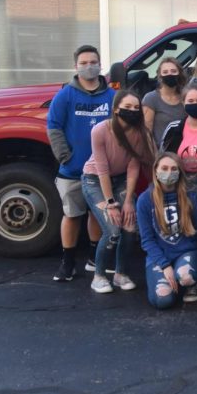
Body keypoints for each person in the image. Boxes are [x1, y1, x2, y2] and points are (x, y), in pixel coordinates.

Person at [47, 44, 115, 282]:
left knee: (96, 214)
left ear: (100, 65)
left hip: (100, 171)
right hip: (72, 169)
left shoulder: (111, 97)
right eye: (84, 63)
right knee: (72, 214)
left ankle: (95, 258)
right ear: (76, 66)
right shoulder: (66, 95)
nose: (89, 66)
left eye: (93, 62)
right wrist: (66, 156)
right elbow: (53, 126)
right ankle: (67, 262)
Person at [82, 90, 155, 294]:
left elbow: (133, 167)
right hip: (95, 179)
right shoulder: (100, 130)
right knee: (112, 229)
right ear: (115, 109)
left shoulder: (139, 133)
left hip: (122, 179)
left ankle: (120, 273)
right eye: (127, 107)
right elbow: (102, 168)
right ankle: (99, 276)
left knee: (130, 226)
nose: (132, 111)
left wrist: (129, 201)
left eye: (136, 108)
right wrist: (111, 203)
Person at [137, 153, 197, 309]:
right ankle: (170, 280)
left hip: (187, 251)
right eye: (164, 168)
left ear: (180, 172)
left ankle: (190, 283)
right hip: (160, 256)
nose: (169, 173)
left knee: (185, 277)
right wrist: (165, 266)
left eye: (174, 169)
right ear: (155, 170)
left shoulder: (191, 195)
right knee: (163, 300)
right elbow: (147, 240)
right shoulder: (145, 199)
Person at [143, 58, 187, 144]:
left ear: (179, 74)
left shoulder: (186, 97)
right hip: (161, 152)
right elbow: (146, 133)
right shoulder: (151, 99)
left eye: (173, 71)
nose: (169, 74)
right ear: (160, 76)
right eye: (165, 72)